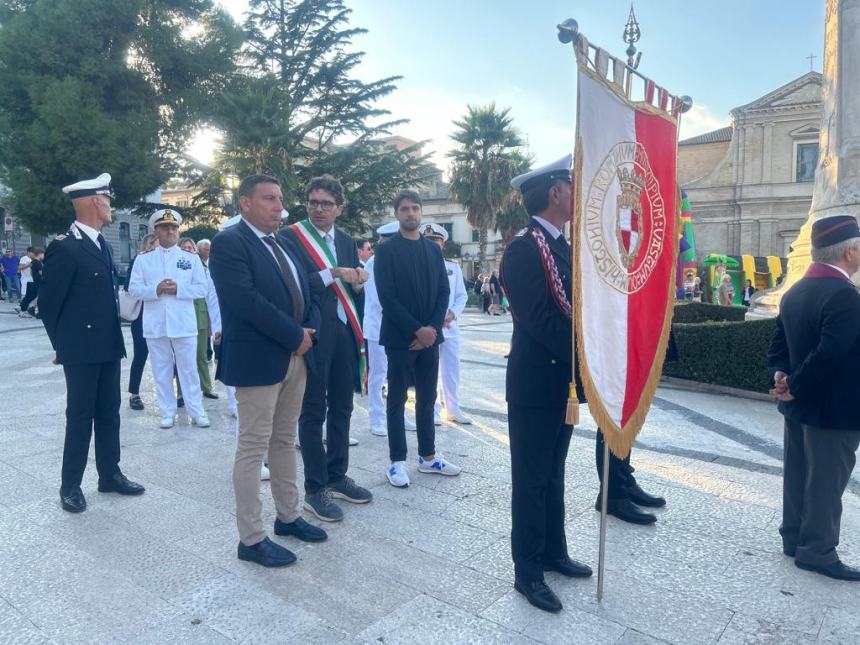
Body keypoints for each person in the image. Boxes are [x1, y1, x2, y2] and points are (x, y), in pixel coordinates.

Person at [210, 174, 327, 568]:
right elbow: (245, 301)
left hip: (297, 355)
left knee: (283, 440)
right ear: (245, 203)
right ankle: (252, 538)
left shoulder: (284, 242)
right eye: (270, 199)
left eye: (280, 199)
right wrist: (294, 334)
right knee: (253, 446)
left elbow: (308, 288)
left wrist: (308, 330)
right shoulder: (230, 243)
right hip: (260, 360)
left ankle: (289, 516)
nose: (280, 206)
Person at [501, 155, 592, 613]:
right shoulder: (525, 247)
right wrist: (586, 354)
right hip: (538, 381)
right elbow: (539, 320)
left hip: (563, 382)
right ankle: (528, 570)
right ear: (555, 193)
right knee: (532, 480)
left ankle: (554, 552)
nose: (577, 194)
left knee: (553, 474)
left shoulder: (560, 245)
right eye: (572, 187)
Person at [39, 172, 145, 513]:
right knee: (80, 416)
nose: (111, 206)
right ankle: (69, 485)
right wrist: (62, 347)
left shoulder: (101, 243)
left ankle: (109, 474)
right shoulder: (64, 248)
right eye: (108, 200)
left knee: (109, 413)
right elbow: (49, 304)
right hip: (81, 349)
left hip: (107, 343)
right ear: (95, 201)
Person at [767, 214, 860, 582]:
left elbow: (778, 347)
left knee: (798, 473)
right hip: (834, 410)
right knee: (825, 482)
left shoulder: (795, 292)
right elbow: (829, 352)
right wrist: (796, 384)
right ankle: (817, 551)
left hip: (797, 406)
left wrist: (782, 378)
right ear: (850, 251)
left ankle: (793, 538)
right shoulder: (845, 297)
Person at [280, 175, 373, 522]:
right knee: (313, 409)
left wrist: (358, 281)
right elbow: (294, 283)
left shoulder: (347, 240)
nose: (319, 209)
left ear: (339, 207)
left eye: (327, 204)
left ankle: (337, 474)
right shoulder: (292, 237)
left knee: (343, 407)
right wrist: (332, 272)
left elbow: (352, 288)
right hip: (316, 331)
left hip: (346, 331)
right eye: (313, 202)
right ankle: (315, 487)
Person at [374, 190, 460, 488]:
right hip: (401, 339)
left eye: (415, 208)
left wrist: (432, 330)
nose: (410, 213)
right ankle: (397, 462)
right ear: (396, 214)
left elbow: (442, 292)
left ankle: (428, 456)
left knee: (427, 398)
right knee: (397, 399)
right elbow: (388, 297)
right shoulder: (386, 251)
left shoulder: (433, 251)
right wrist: (416, 331)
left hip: (429, 339)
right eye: (405, 209)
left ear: (421, 213)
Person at [129, 209, 210, 429]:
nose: (170, 231)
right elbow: (134, 289)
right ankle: (167, 411)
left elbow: (202, 288)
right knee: (161, 369)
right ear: (156, 231)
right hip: (156, 323)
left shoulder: (189, 258)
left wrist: (179, 289)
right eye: (165, 227)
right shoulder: (144, 259)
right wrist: (155, 289)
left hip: (183, 322)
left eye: (174, 227)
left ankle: (197, 411)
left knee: (188, 369)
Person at [423, 224, 471, 426]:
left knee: (452, 369)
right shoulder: (418, 267)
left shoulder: (453, 267)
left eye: (437, 242)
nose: (434, 245)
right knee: (430, 370)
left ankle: (453, 408)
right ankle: (433, 410)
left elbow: (462, 295)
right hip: (430, 328)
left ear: (442, 244)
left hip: (450, 326)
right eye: (429, 242)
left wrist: (452, 313)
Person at [179, 237, 220, 401]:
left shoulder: (203, 269)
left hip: (201, 315)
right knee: (183, 358)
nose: (189, 250)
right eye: (185, 247)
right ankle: (181, 392)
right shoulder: (177, 268)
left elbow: (208, 296)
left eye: (191, 247)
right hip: (183, 316)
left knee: (202, 355)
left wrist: (211, 321)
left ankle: (206, 386)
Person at [126, 234, 156, 410]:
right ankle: (134, 393)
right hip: (141, 315)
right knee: (141, 354)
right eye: (153, 243)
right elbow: (130, 286)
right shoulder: (139, 260)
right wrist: (154, 288)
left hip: (160, 315)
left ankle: (179, 392)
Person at [18, 247, 43, 317]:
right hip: (32, 281)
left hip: (32, 280)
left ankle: (23, 310)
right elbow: (20, 268)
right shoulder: (27, 259)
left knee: (30, 296)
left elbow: (32, 272)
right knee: (35, 296)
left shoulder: (33, 261)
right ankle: (31, 309)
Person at [15, 247, 34, 313]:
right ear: (29, 252)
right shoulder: (24, 258)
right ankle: (22, 309)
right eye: (32, 252)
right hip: (25, 279)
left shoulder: (33, 258)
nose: (33, 254)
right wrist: (28, 265)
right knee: (25, 294)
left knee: (30, 294)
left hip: (31, 279)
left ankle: (21, 307)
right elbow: (20, 267)